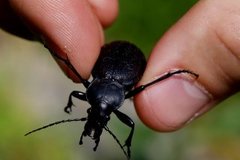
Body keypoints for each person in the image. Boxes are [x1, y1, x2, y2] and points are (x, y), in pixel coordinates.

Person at [1, 0, 240, 132]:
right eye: (103, 114)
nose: (99, 116)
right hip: (125, 62)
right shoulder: (100, 86)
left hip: (121, 60)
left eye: (97, 113)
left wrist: (176, 73)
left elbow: (73, 68)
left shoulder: (99, 84)